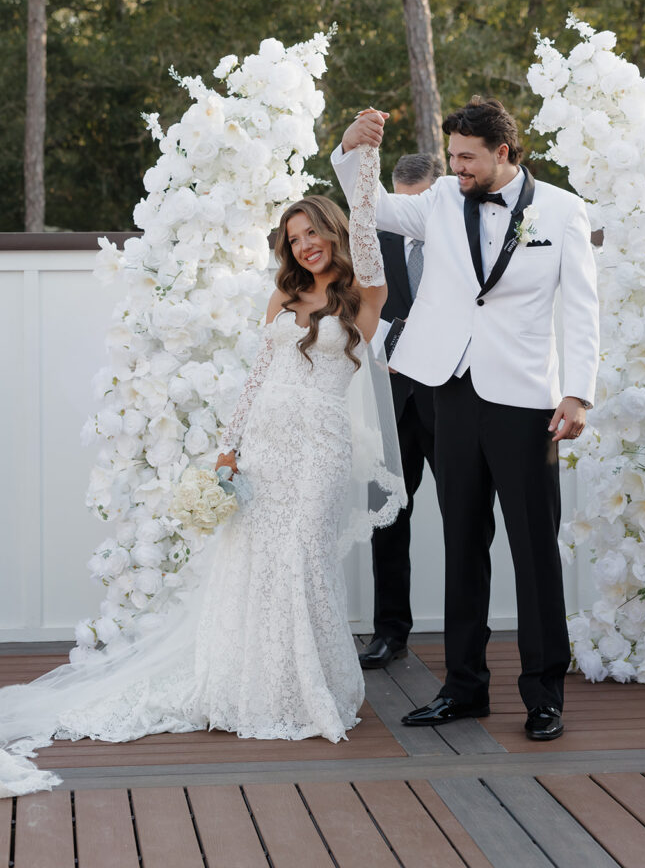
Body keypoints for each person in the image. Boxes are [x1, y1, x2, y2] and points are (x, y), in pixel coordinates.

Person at [0, 149, 404, 798]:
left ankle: (305, 690)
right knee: (248, 565)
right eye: (293, 239)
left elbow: (372, 248)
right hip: (263, 449)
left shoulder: (363, 298)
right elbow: (254, 378)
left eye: (312, 234)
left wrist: (361, 159)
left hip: (320, 452)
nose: (304, 247)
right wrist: (227, 448)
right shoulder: (283, 294)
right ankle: (245, 689)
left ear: (333, 231)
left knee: (302, 559)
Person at [332, 98, 599, 741]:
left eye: (466, 157)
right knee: (462, 545)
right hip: (450, 390)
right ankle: (463, 689)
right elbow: (372, 206)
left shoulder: (562, 210)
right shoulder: (442, 200)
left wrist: (577, 394)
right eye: (452, 156)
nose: (456, 168)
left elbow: (583, 309)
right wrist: (351, 148)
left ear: (504, 153)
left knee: (535, 550)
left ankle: (544, 696)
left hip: (528, 400)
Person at [359, 152, 444, 671]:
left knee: (464, 516)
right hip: (385, 400)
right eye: (400, 206)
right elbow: (354, 309)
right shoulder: (373, 240)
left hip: (447, 397)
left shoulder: (457, 240)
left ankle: (466, 635)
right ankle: (390, 631)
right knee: (386, 516)